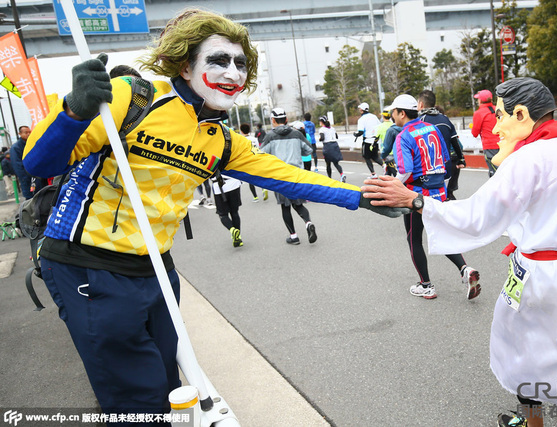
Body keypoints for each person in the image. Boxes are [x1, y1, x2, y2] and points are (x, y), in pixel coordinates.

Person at [23, 9, 405, 424]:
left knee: (172, 388)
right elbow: (38, 160)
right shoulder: (131, 97)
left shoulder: (220, 138)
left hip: (156, 270)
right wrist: (74, 112)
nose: (233, 72)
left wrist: (360, 197)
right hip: (87, 265)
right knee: (136, 400)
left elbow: (289, 178)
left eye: (241, 64)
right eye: (219, 60)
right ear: (185, 65)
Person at [363, 77, 557, 427]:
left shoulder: (528, 160)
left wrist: (415, 201)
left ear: (522, 114)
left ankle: (539, 421)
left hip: (545, 278)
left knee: (533, 356)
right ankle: (538, 419)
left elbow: (476, 217)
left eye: (500, 114)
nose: (496, 124)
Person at [388, 94, 480, 301]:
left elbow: (404, 170)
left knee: (414, 238)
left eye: (394, 111)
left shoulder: (404, 135)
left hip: (415, 195)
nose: (392, 115)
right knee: (441, 233)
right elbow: (445, 162)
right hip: (438, 191)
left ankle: (426, 285)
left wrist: (392, 187)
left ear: (402, 113)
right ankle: (465, 269)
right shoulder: (433, 129)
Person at [261, 108, 318, 245]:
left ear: (273, 120)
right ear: (286, 119)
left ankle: (294, 236)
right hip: (296, 174)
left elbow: (261, 154)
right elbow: (309, 150)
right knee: (298, 203)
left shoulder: (270, 136)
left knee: (285, 207)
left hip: (280, 175)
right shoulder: (297, 134)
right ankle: (308, 222)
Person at [417, 89, 466, 200]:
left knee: (428, 200)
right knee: (445, 195)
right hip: (446, 166)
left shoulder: (420, 121)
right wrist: (461, 159)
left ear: (421, 104)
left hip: (429, 169)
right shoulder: (445, 119)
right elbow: (455, 142)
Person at [471, 89, 500, 177]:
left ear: (480, 100)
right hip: (503, 143)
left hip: (490, 146)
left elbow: (475, 133)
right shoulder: (498, 109)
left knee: (495, 173)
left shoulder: (479, 113)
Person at [211, 174, 244, 247]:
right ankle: (238, 238)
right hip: (233, 183)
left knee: (222, 214)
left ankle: (232, 230)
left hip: (219, 186)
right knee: (234, 212)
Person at [354, 102, 383, 178]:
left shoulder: (361, 119)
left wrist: (355, 134)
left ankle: (373, 174)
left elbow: (360, 132)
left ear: (361, 110)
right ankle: (384, 165)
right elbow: (380, 126)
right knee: (375, 156)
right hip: (375, 140)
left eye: (360, 108)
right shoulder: (374, 116)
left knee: (366, 157)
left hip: (367, 141)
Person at [239, 122, 267, 202]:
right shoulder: (254, 139)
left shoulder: (241, 140)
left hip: (247, 161)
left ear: (241, 130)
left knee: (250, 180)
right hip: (255, 159)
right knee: (259, 176)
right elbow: (258, 148)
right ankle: (264, 188)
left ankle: (255, 197)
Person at [10, 125, 40, 199]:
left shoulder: (33, 143)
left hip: (37, 177)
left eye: (29, 132)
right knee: (30, 198)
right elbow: (17, 165)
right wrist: (25, 178)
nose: (28, 134)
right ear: (19, 134)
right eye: (26, 132)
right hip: (27, 179)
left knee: (39, 197)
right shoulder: (16, 147)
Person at [318, 115, 345, 182]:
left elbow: (322, 138)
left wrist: (319, 139)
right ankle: (342, 174)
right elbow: (336, 136)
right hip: (335, 145)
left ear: (321, 122)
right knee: (336, 163)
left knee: (328, 164)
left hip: (327, 147)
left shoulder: (322, 129)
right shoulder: (333, 128)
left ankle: (329, 178)